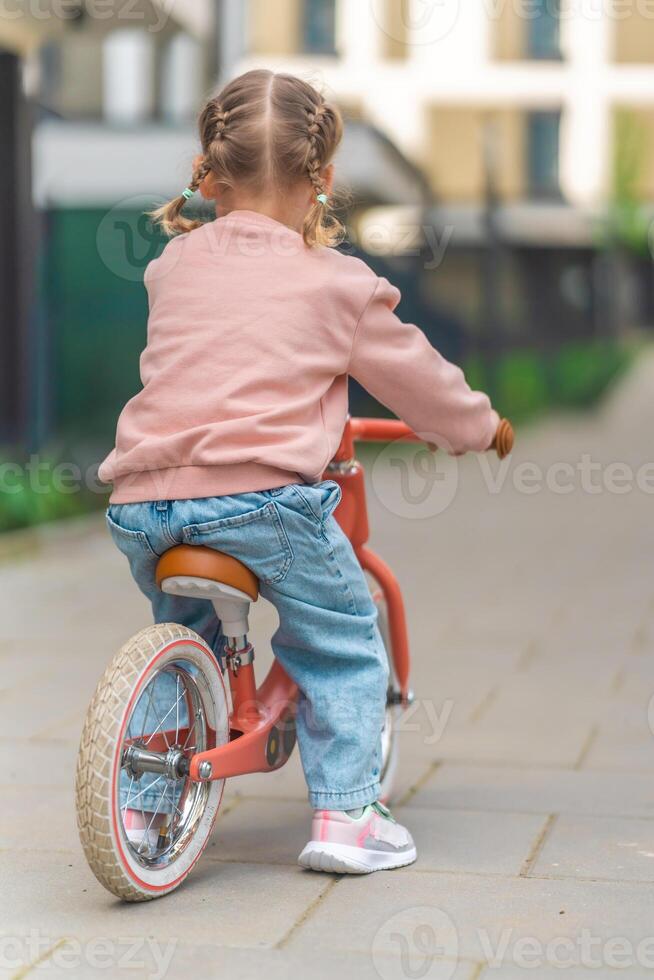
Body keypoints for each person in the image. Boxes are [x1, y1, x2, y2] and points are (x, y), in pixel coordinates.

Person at [99, 69, 499, 874]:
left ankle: (146, 815)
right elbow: (417, 378)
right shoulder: (337, 283)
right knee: (344, 637)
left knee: (190, 639)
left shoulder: (172, 268)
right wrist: (477, 427)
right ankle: (350, 816)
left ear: (210, 173)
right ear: (321, 180)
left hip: (145, 505)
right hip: (262, 504)